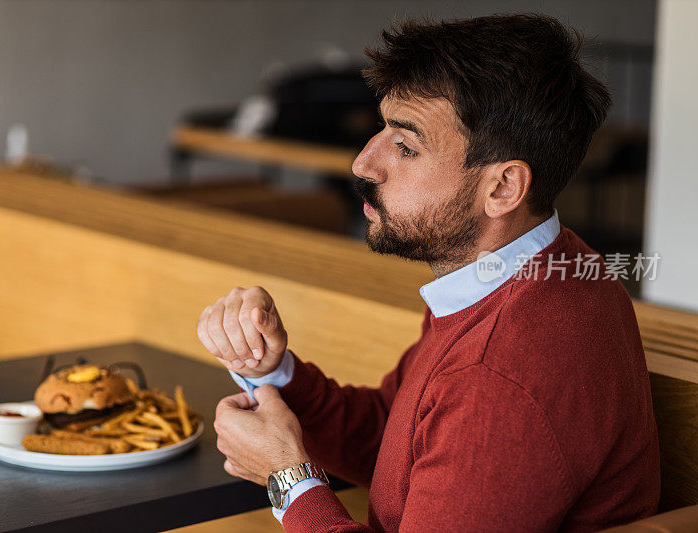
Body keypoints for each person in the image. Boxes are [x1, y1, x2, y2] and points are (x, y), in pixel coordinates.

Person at [197, 14, 659, 532]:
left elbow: (469, 417)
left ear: (503, 188)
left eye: (407, 146)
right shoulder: (523, 271)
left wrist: (288, 478)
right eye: (382, 128)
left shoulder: (503, 373)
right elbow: (395, 438)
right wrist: (272, 371)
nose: (363, 163)